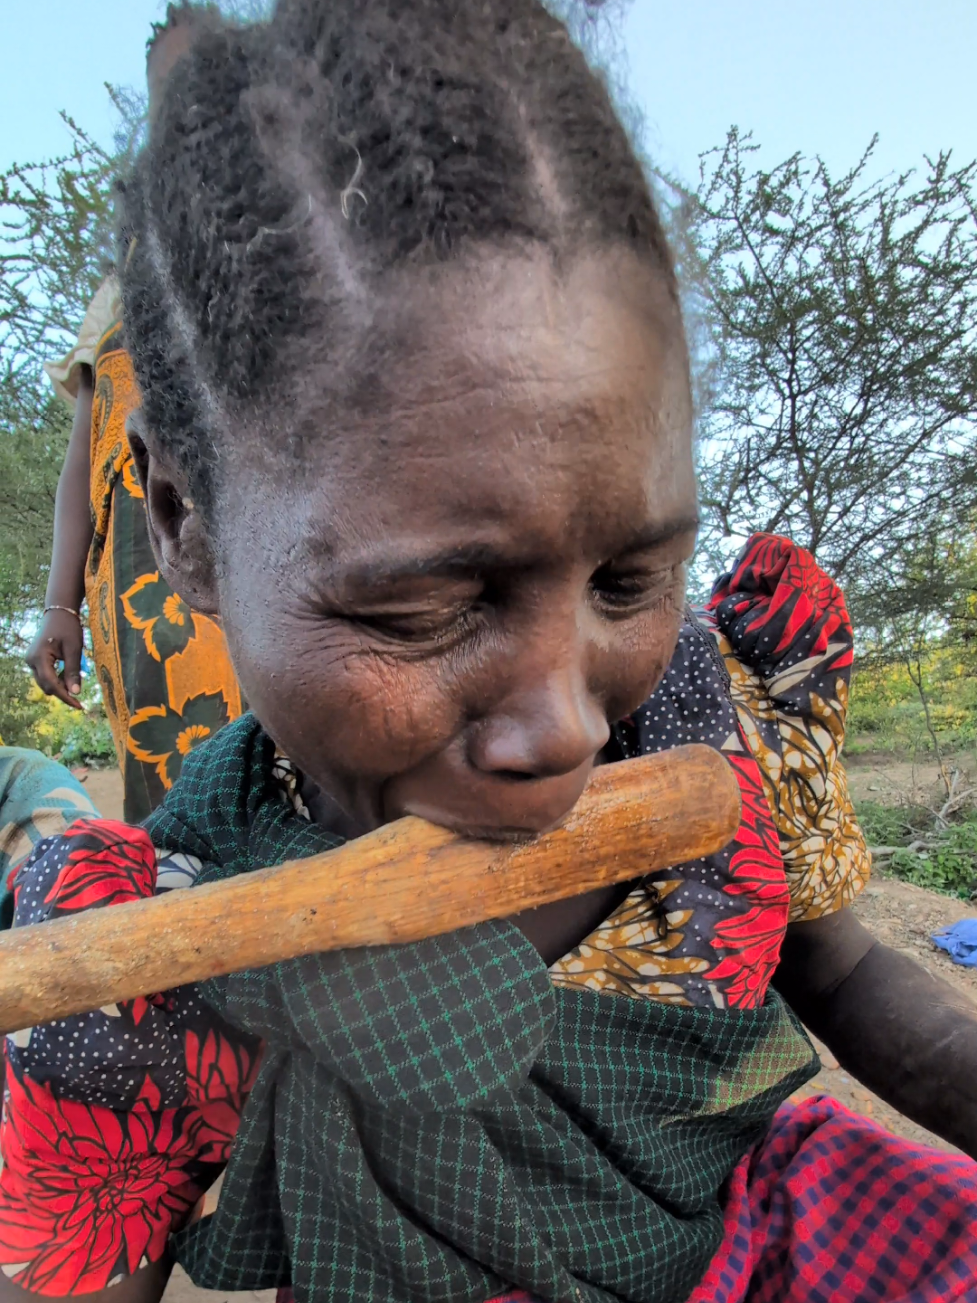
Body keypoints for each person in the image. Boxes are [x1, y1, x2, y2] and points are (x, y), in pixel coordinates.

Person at [2, 2, 976, 1301]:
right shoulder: (165, 938)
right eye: (421, 610)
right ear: (185, 527)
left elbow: (847, 970)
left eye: (629, 575)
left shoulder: (716, 710)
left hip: (758, 1234)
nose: (565, 724)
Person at [26, 5, 243, 825]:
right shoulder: (118, 290)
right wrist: (60, 606)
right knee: (172, 792)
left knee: (283, 765)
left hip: (248, 542)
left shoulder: (288, 241)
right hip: (136, 576)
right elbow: (83, 460)